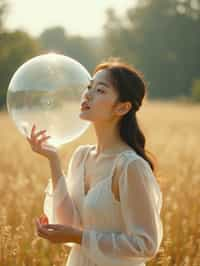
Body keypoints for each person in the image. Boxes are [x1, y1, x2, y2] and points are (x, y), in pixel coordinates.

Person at [27, 57, 163, 266]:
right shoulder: (81, 156)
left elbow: (146, 244)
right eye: (89, 86)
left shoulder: (130, 167)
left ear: (122, 108)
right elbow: (69, 225)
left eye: (100, 90)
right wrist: (53, 160)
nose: (87, 94)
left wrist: (80, 237)